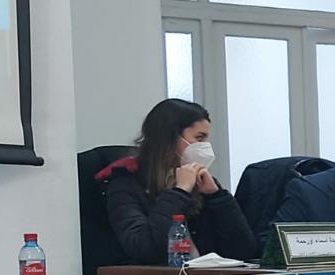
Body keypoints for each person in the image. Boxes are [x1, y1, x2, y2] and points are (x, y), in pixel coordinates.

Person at [103, 99, 255, 263]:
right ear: (169, 139)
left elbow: (244, 251)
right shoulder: (125, 184)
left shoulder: (201, 183)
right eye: (199, 138)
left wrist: (216, 196)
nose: (205, 147)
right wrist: (180, 191)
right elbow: (145, 248)